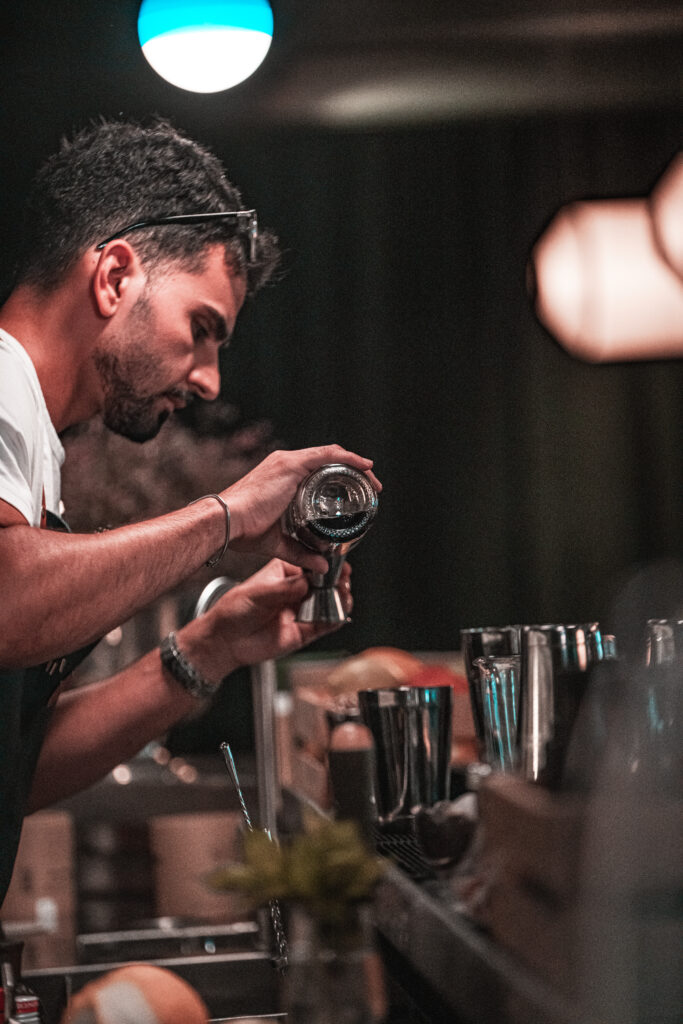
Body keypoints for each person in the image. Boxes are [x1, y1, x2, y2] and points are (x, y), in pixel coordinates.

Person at [0, 118, 380, 904]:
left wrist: (208, 649)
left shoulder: (37, 442)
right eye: (200, 329)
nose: (207, 379)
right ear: (113, 276)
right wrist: (229, 513)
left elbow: (17, 767)